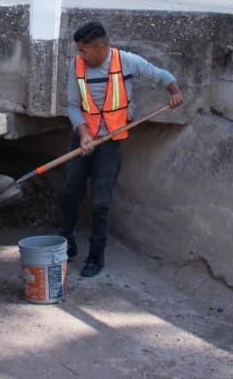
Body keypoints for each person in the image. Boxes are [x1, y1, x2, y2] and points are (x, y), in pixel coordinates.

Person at [62, 21, 182, 278]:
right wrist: (83, 135)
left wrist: (174, 91)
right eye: (79, 51)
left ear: (101, 47)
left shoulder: (127, 62)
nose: (79, 56)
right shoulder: (76, 66)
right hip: (84, 138)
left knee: (100, 201)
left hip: (111, 142)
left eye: (84, 51)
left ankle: (96, 255)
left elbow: (162, 76)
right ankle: (66, 242)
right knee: (71, 190)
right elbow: (73, 105)